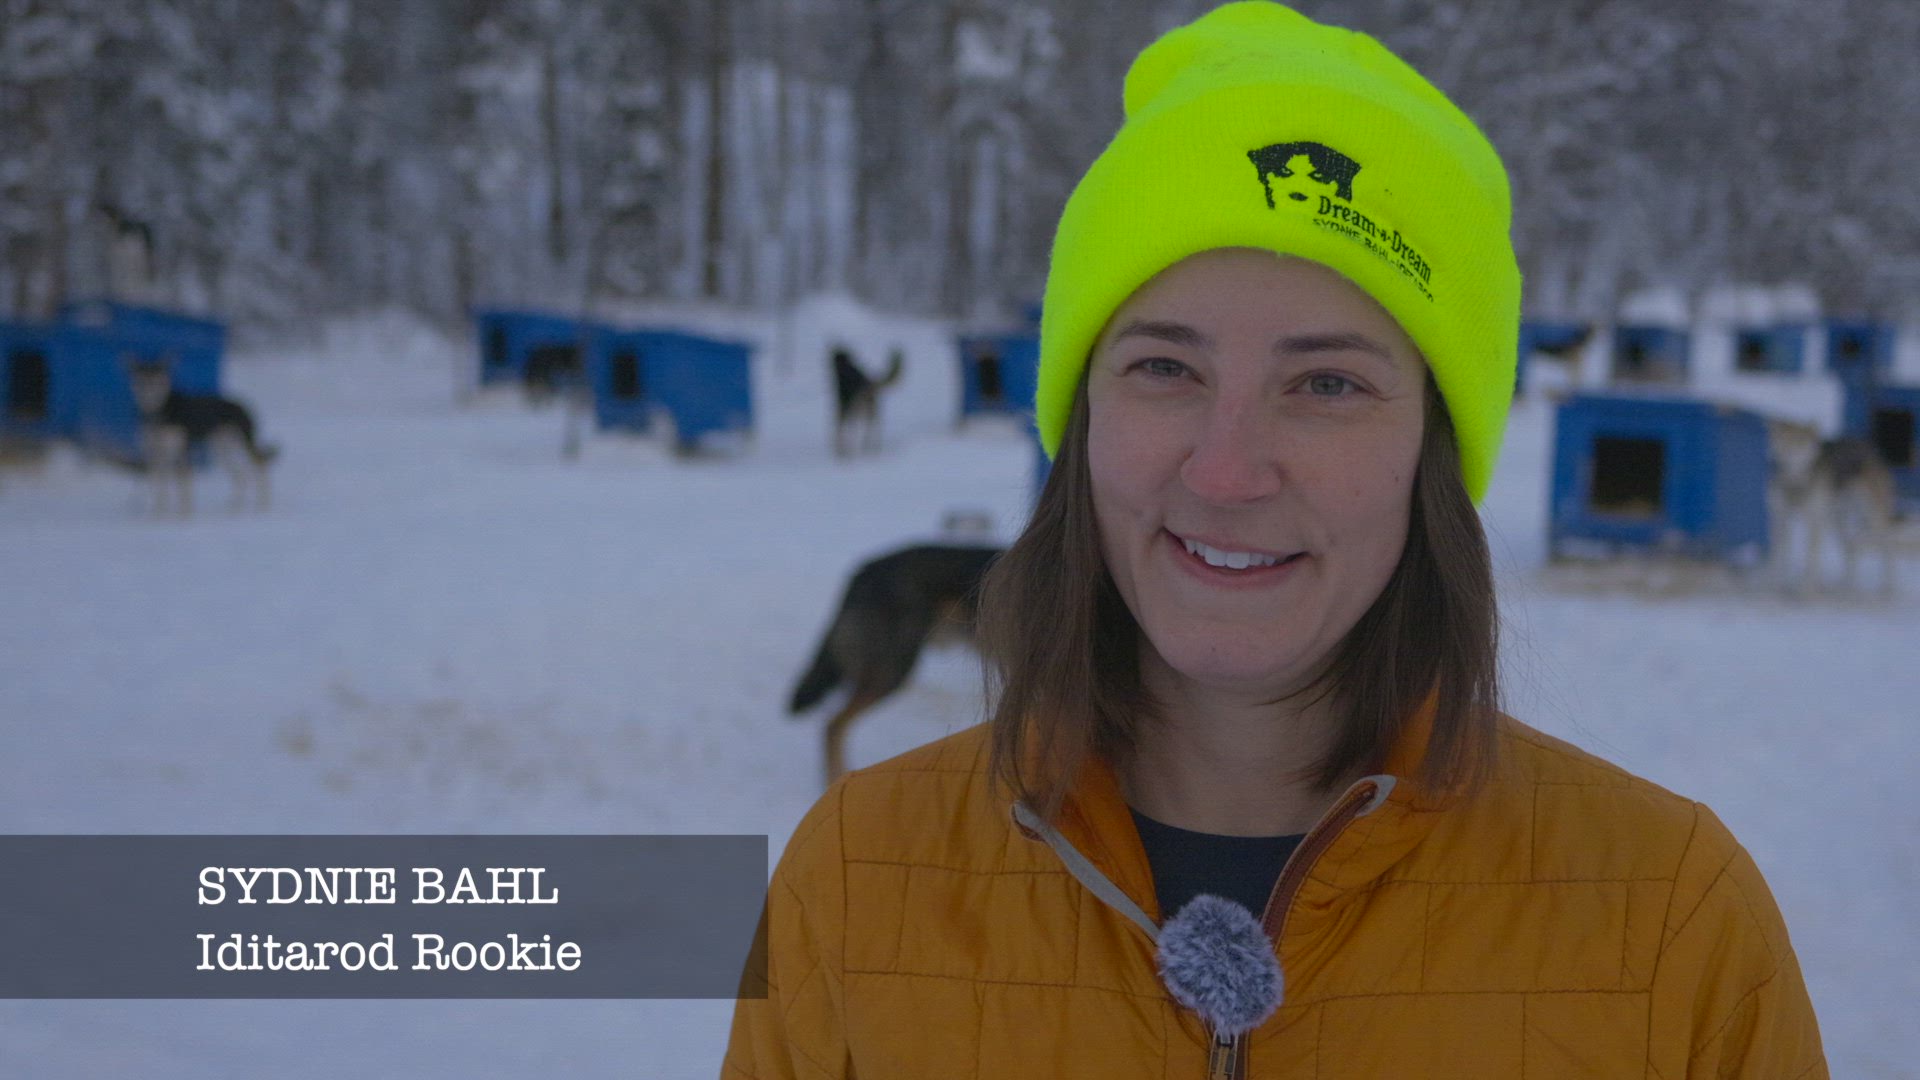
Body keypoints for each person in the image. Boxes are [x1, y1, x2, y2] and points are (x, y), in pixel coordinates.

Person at [724, 3, 1828, 1076]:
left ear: (1434, 454)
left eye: (1327, 383)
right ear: (1084, 420)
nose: (1226, 471)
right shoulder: (854, 877)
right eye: (1165, 367)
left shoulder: (1673, 926)